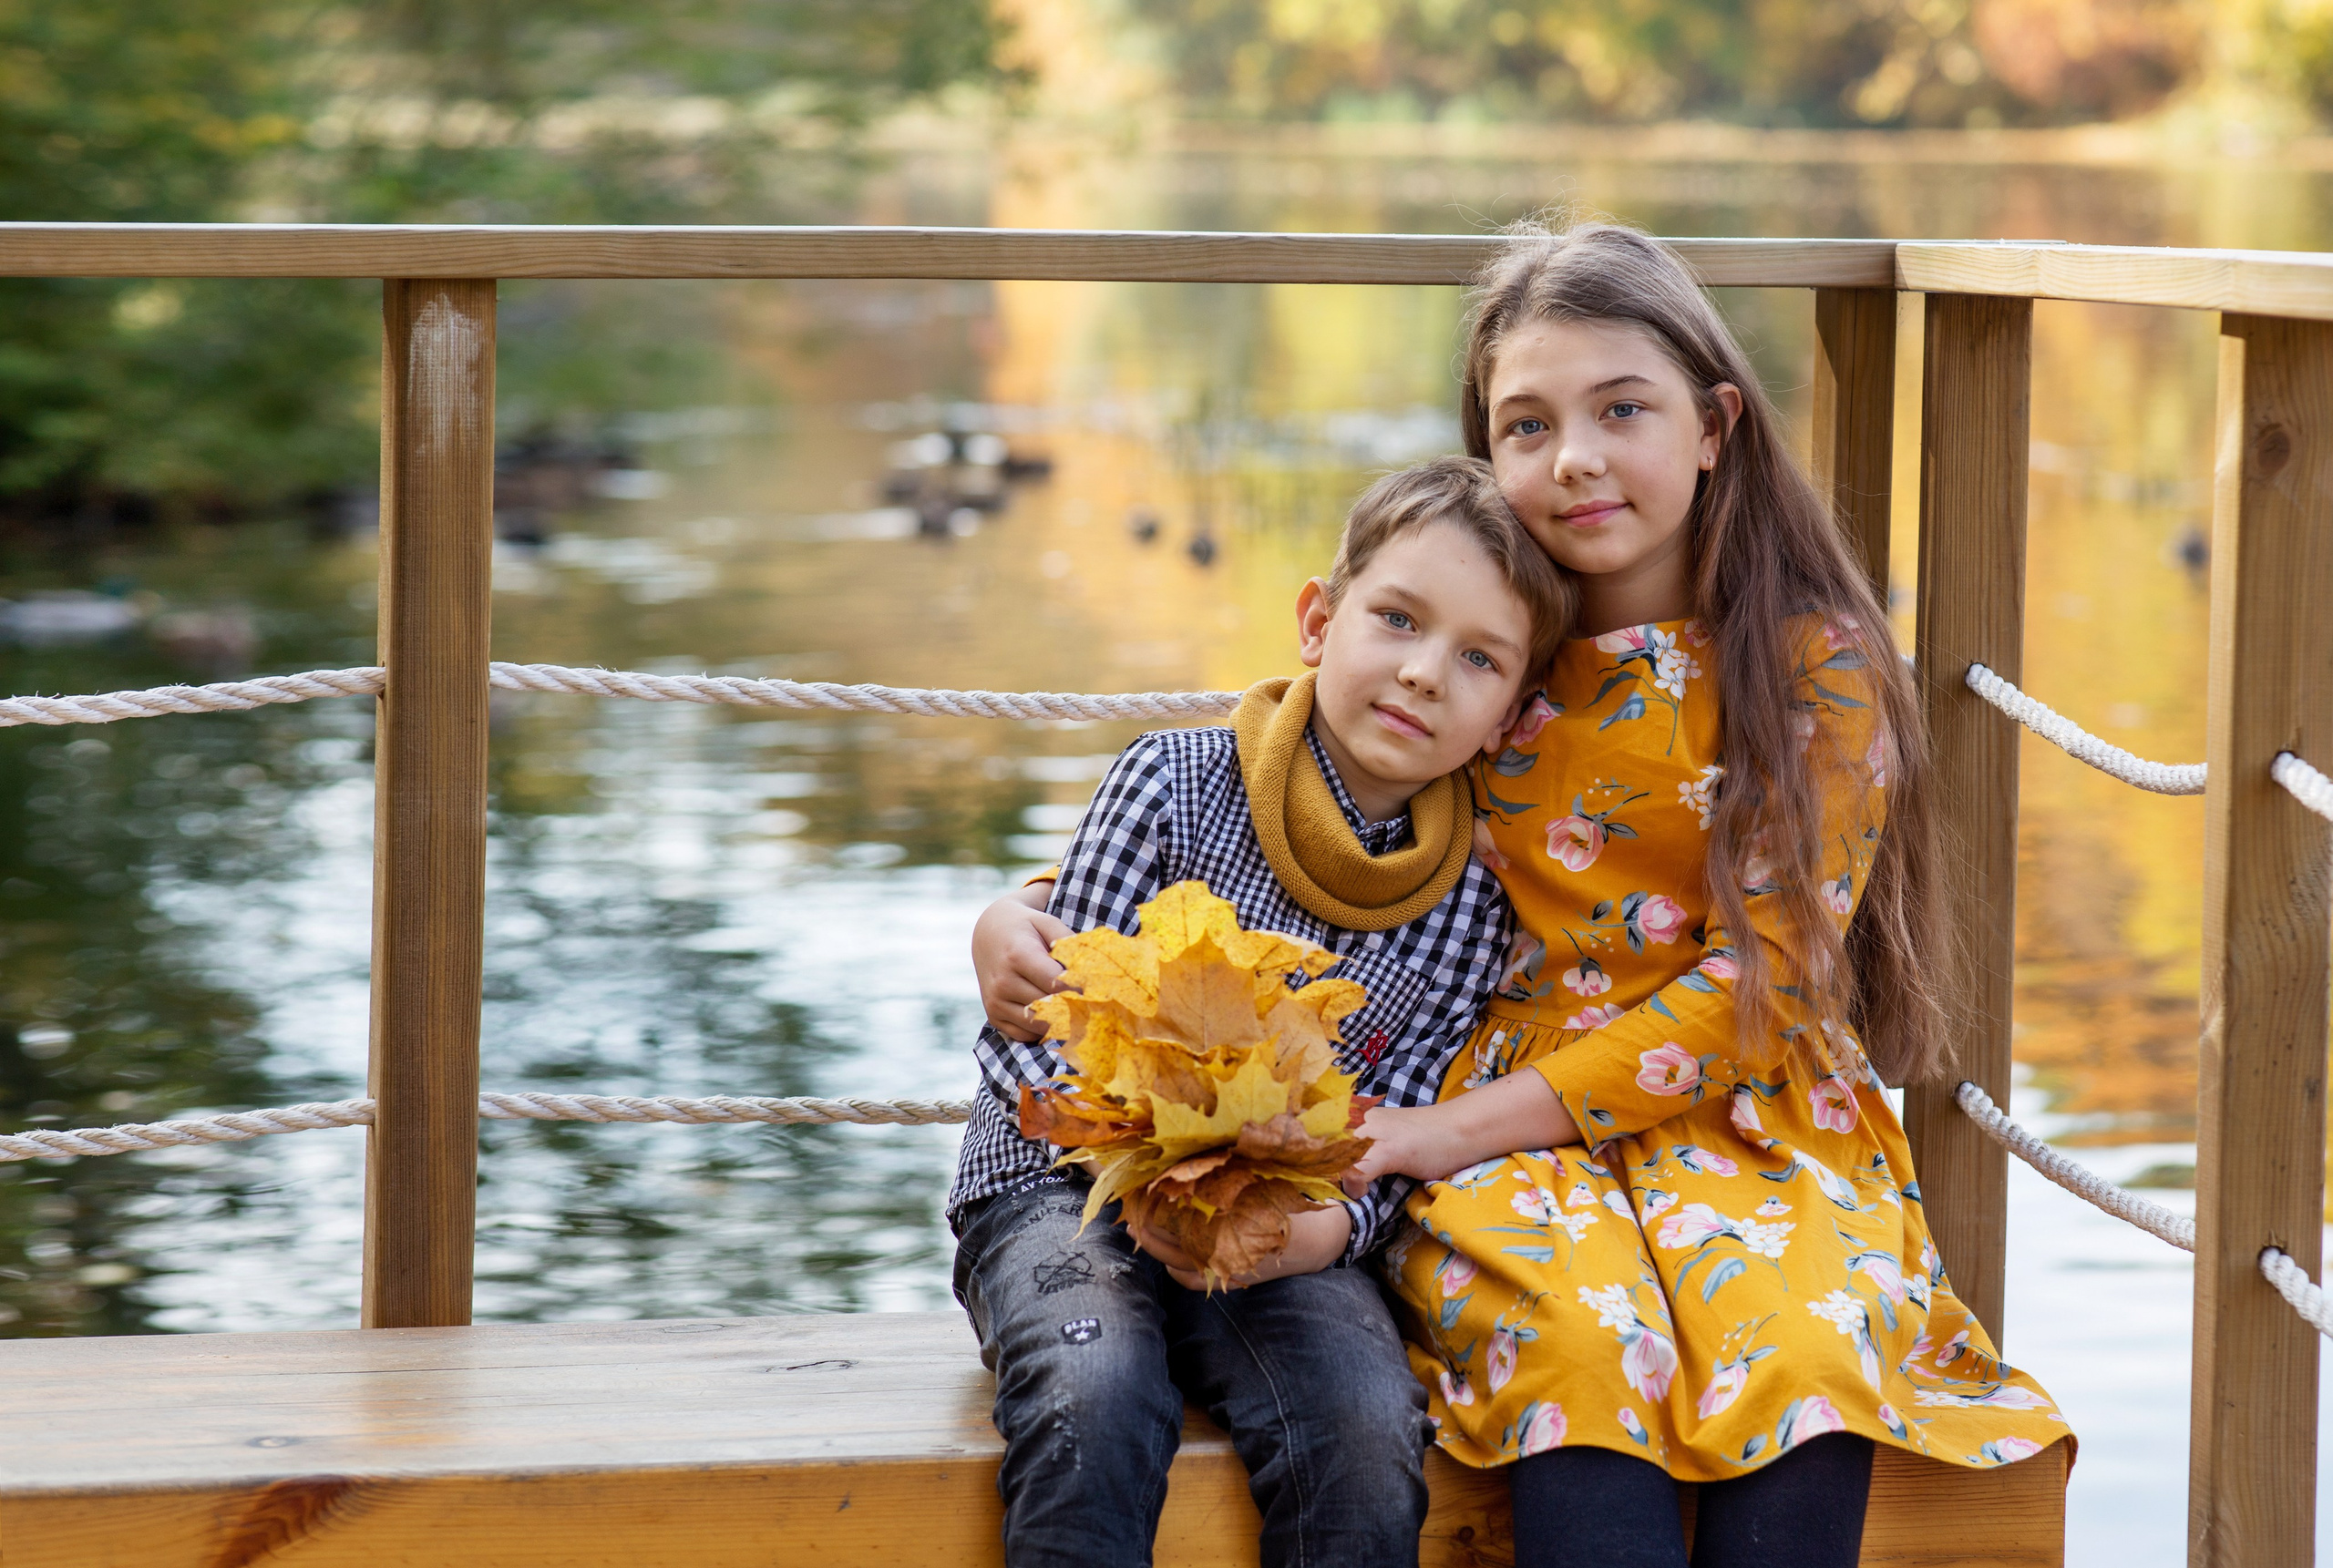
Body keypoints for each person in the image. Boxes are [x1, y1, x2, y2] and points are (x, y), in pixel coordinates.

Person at [973, 223, 2071, 1568]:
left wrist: (1433, 1138)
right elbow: (1286, 800)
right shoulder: (1488, 650)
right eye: (1528, 424)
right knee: (1571, 1335)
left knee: (1795, 1336)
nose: (1577, 460)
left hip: (1742, 1111)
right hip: (1502, 1118)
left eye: (1623, 410)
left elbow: (1765, 985)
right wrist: (1027, 911)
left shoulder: (1814, 670)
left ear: (1716, 423)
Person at [949, 456, 1571, 1568]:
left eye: (1477, 658)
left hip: (1285, 1232)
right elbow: (1038, 1044)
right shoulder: (1171, 784)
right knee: (1096, 1389)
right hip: (1065, 1190)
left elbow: (1404, 1129)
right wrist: (1145, 1166)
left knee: (1367, 1429)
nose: (1425, 673)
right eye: (1397, 619)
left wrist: (1333, 1227)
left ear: (1509, 716)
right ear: (1317, 621)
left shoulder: (1475, 909)